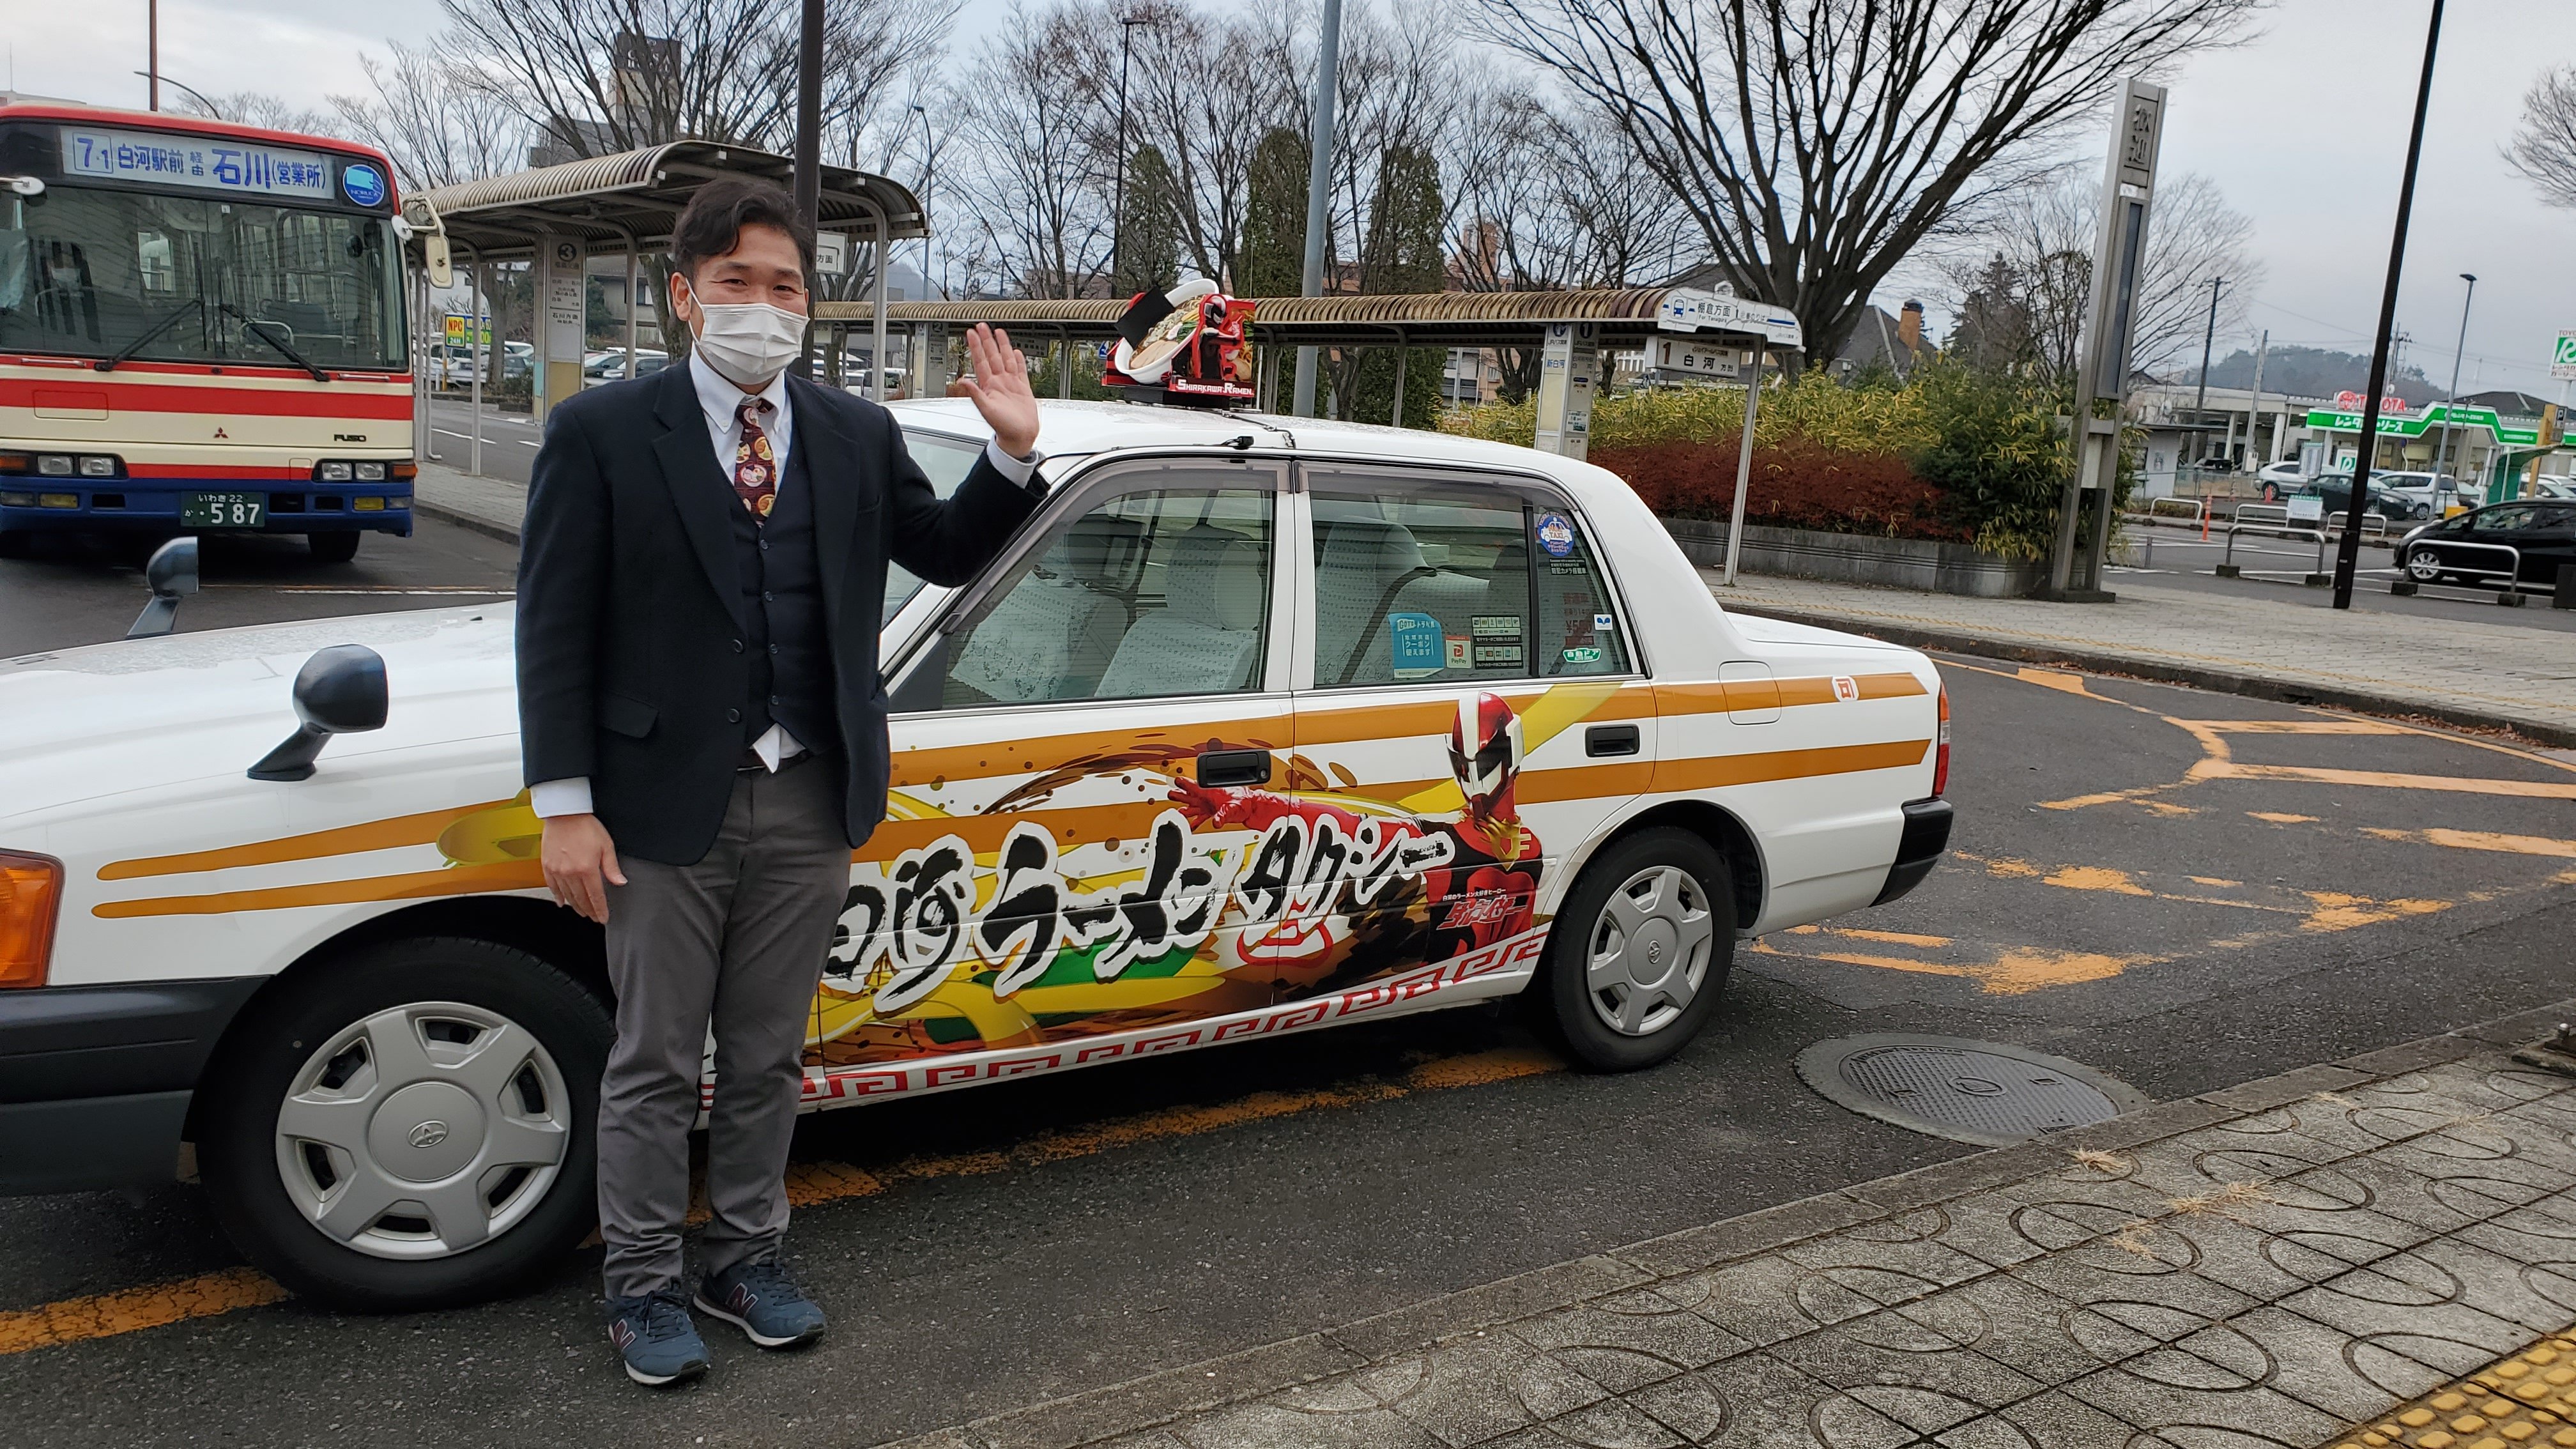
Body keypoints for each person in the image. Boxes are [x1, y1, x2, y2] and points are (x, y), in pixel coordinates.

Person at [515, 174, 1045, 1387]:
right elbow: (554, 628)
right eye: (738, 284)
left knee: (765, 1055)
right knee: (654, 1057)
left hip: (810, 793)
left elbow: (948, 552)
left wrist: (1013, 452)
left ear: (814, 305)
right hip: (656, 807)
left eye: (787, 287)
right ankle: (641, 1282)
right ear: (683, 297)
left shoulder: (856, 434)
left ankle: (746, 1254)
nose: (765, 306)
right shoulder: (602, 435)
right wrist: (566, 805)